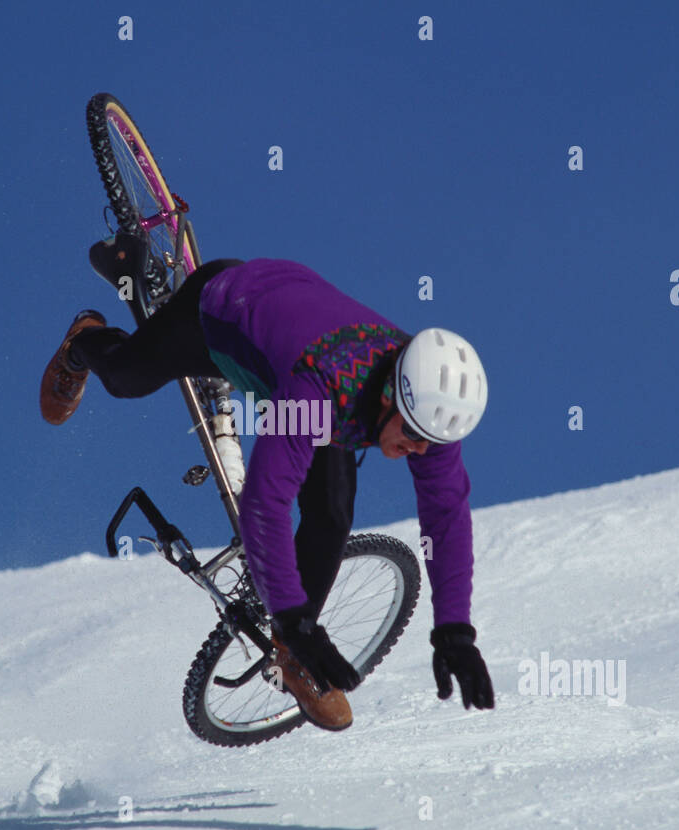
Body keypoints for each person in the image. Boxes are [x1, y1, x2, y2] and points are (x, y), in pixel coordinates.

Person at [40, 232, 495, 731]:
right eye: (412, 434)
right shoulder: (315, 392)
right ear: (390, 395)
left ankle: (293, 659)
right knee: (128, 378)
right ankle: (83, 340)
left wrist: (455, 631)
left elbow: (446, 514)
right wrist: (293, 619)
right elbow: (265, 502)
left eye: (432, 441)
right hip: (222, 308)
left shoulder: (429, 410)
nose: (420, 451)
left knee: (332, 512)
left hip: (297, 311)